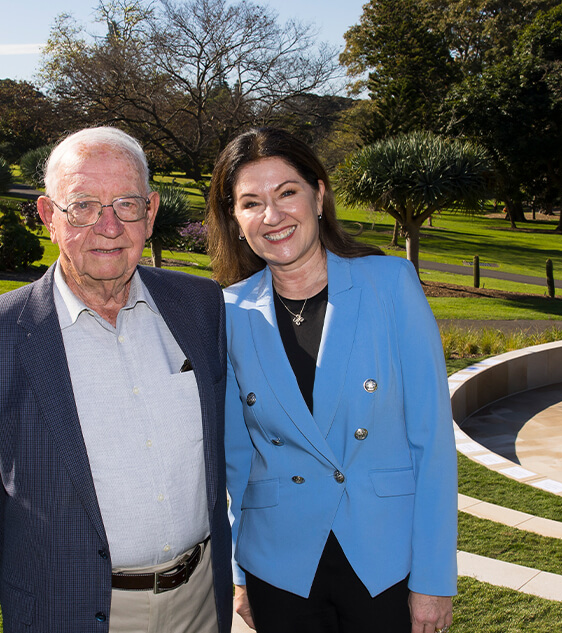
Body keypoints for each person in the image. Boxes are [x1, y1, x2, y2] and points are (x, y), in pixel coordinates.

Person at [0, 126, 232, 633]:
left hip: (199, 603)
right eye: (82, 205)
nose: (108, 226)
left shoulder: (201, 306)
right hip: (70, 609)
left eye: (126, 204)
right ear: (47, 216)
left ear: (151, 212)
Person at [206, 127, 458, 633]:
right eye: (251, 202)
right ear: (235, 219)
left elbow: (431, 441)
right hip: (279, 564)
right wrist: (239, 572)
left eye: (287, 193)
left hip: (383, 557)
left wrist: (434, 577)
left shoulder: (390, 285)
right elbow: (237, 463)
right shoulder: (228, 312)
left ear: (319, 195)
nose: (272, 217)